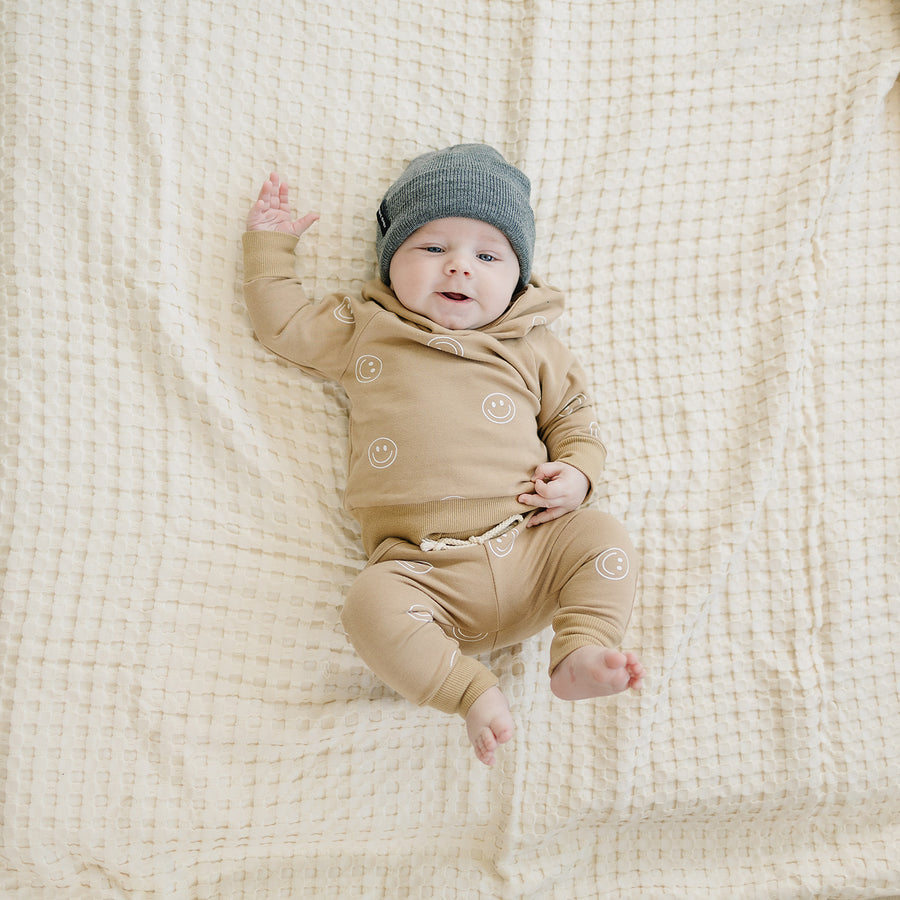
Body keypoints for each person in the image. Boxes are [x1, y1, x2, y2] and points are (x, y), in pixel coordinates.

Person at [242, 144, 644, 766]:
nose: (459, 268)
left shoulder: (533, 345)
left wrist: (578, 477)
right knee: (366, 605)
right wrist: (269, 251)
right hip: (422, 575)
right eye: (432, 249)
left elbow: (575, 423)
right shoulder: (368, 326)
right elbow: (284, 326)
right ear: (390, 261)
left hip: (534, 549)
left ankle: (581, 651)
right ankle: (469, 691)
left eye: (487, 256)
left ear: (518, 276)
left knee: (605, 537)